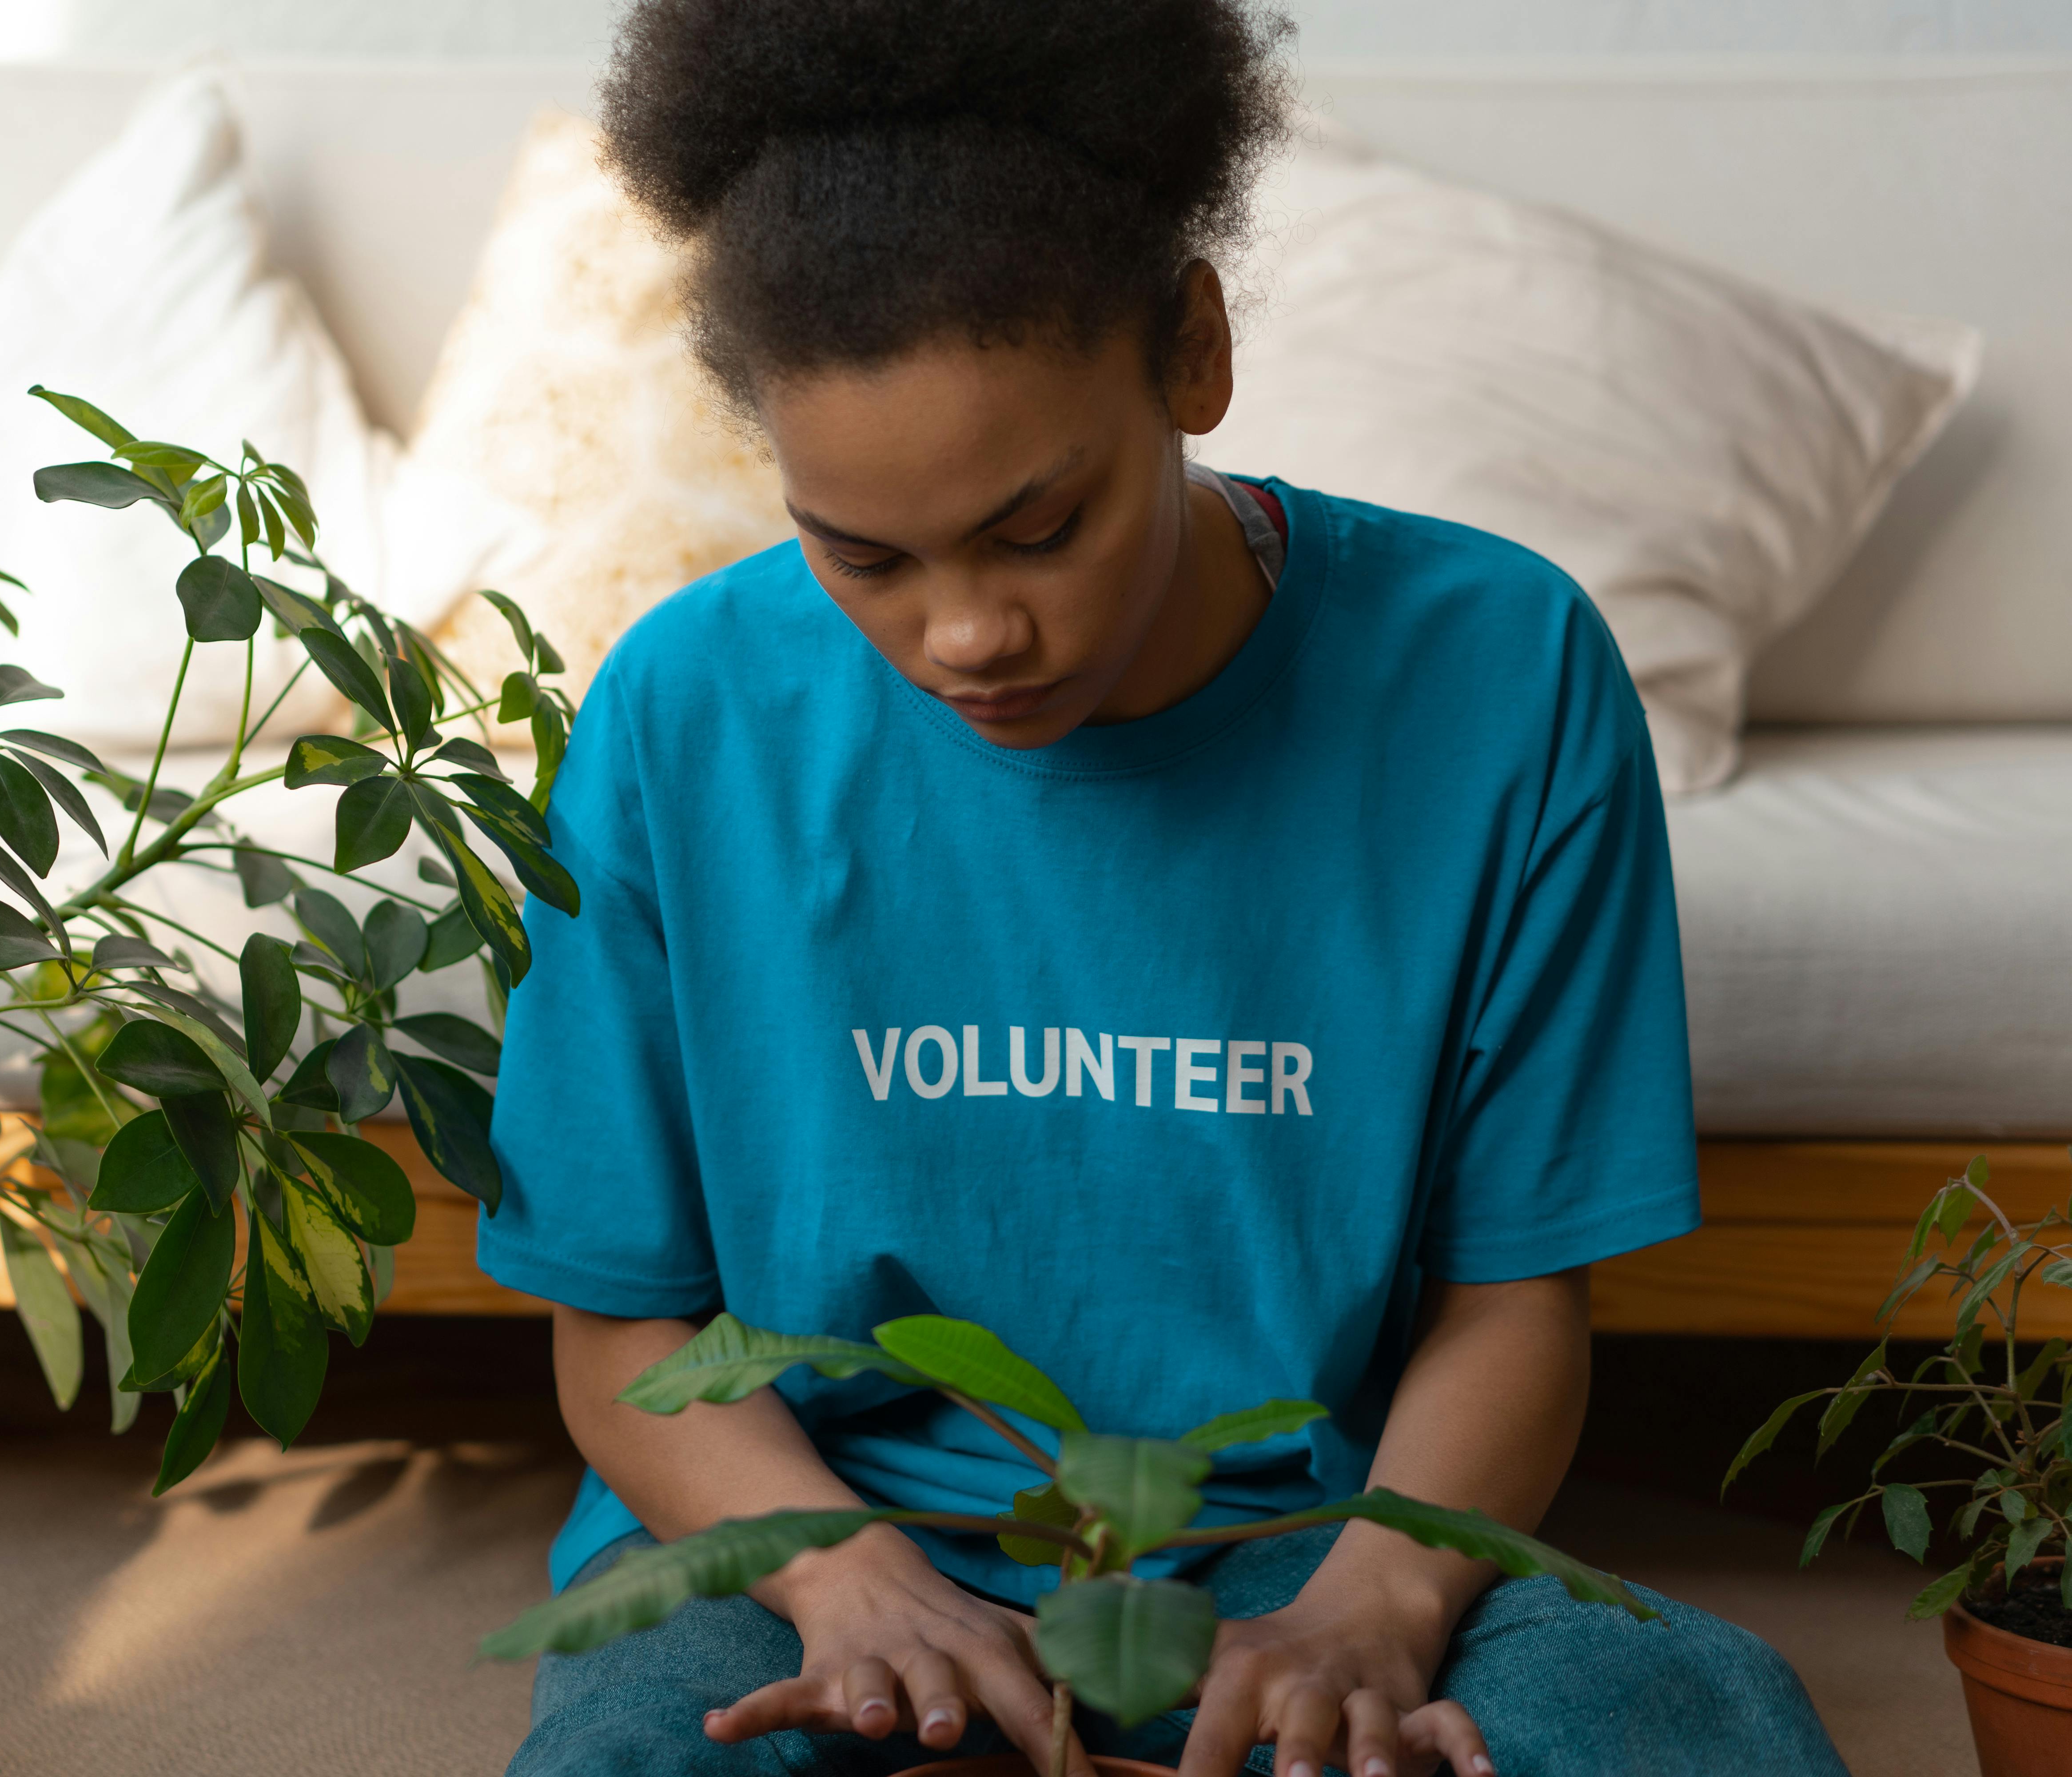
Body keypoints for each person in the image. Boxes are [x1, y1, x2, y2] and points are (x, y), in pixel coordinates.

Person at [474, 4, 1851, 1773]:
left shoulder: (1503, 675)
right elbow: (623, 1331)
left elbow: (1513, 1306)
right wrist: (852, 1581)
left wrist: (1381, 1600)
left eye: (1041, 527)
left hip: (1312, 1537)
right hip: (805, 1531)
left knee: (1678, 1724)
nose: (966, 633)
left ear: (1192, 352)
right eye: (866, 558)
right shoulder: (681, 710)